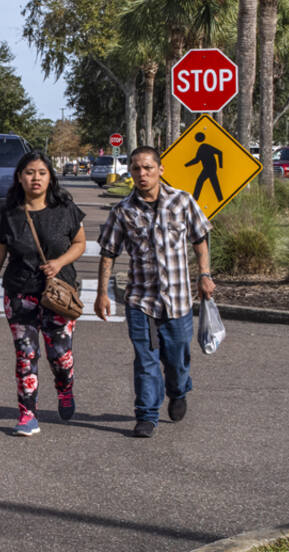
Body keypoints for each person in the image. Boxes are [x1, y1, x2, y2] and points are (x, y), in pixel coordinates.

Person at [96, 145, 215, 438]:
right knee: (146, 359)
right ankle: (147, 415)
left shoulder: (183, 202)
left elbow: (200, 240)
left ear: (160, 169)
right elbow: (108, 253)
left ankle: (178, 390)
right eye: (136, 168)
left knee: (176, 358)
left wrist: (204, 275)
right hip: (141, 301)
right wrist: (102, 293)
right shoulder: (122, 210)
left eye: (148, 168)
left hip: (178, 300)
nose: (142, 174)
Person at [0, 149, 87, 436]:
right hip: (19, 291)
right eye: (29, 173)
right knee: (26, 354)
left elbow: (80, 243)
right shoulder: (9, 214)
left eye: (41, 173)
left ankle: (65, 388)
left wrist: (59, 262)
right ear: (19, 178)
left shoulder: (65, 209)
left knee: (59, 354)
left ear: (50, 178)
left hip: (59, 293)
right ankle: (28, 415)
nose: (35, 178)